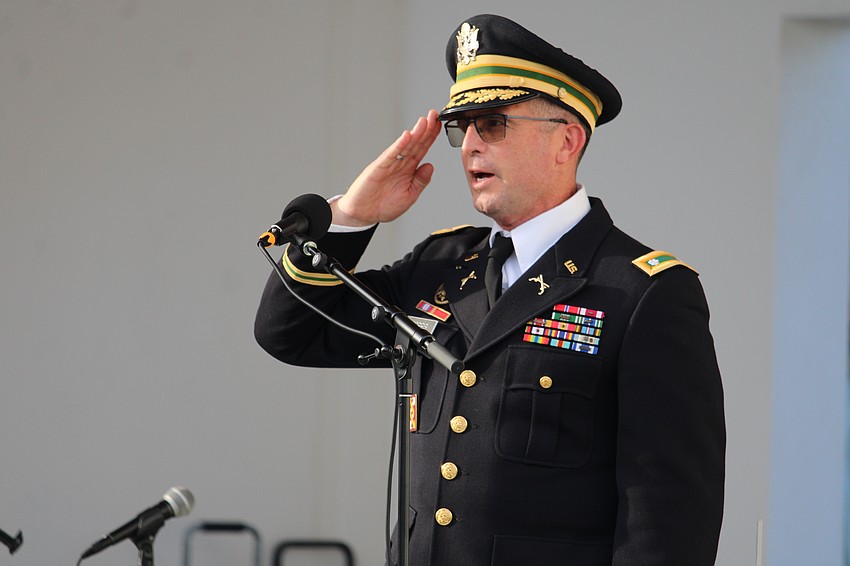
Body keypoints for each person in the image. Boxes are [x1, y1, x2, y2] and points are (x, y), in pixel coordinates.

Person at [255, 13, 725, 566]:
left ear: (567, 140)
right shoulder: (441, 264)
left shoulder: (643, 291)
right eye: (462, 127)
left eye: (494, 123)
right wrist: (352, 219)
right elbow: (292, 333)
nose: (470, 145)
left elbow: (667, 519)